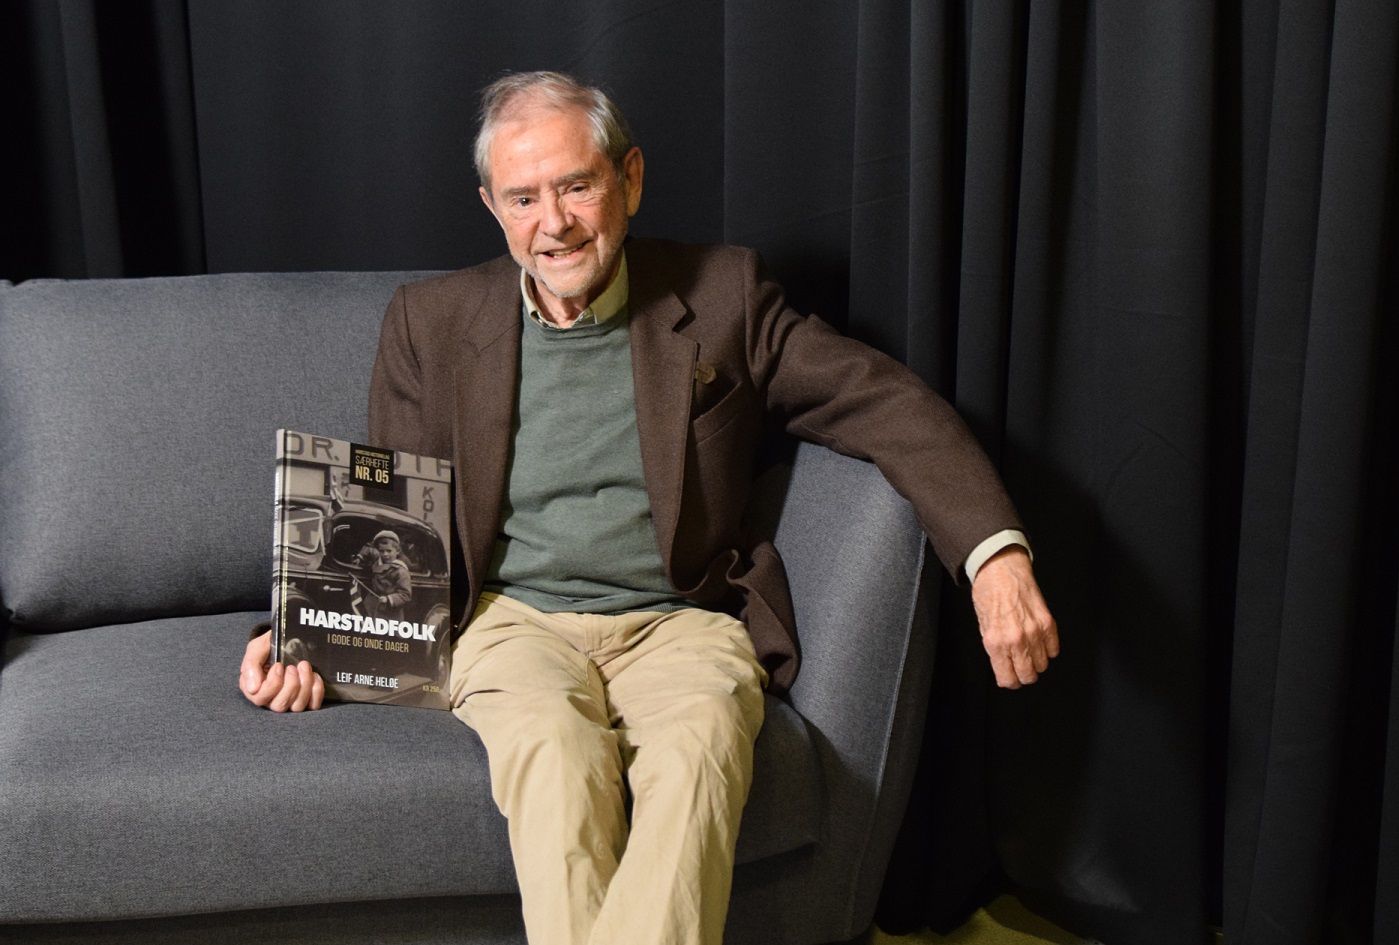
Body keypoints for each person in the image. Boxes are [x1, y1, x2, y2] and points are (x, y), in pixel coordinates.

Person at [239, 70, 1058, 945]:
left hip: (681, 619)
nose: (553, 222)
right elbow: (396, 526)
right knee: (555, 754)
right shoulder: (430, 322)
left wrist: (993, 553)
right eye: (523, 198)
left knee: (702, 745)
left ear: (628, 179)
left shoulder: (725, 295)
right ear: (492, 207)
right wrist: (311, 633)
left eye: (576, 186)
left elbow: (880, 399)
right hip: (511, 622)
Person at [349, 528, 412, 620]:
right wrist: (360, 557)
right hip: (371, 605)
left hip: (389, 611)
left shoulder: (400, 570)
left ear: (397, 551)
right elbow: (369, 549)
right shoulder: (378, 560)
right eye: (382, 551)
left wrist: (389, 599)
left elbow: (405, 595)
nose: (385, 554)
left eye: (389, 551)